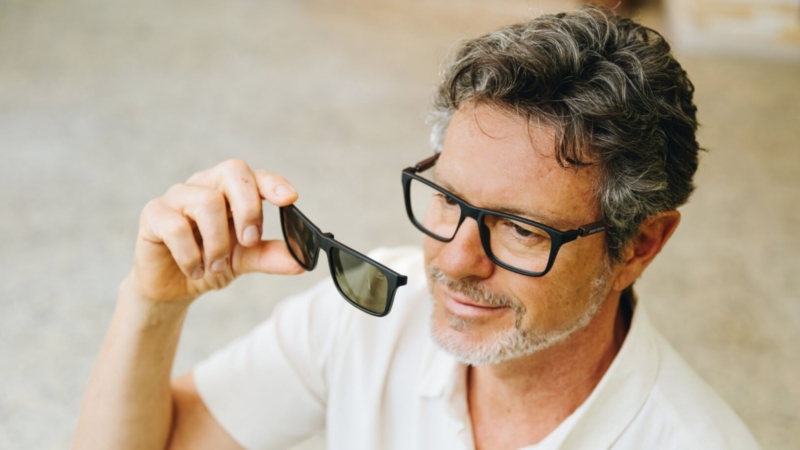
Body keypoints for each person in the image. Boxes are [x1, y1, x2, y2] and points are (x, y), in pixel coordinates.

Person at [73, 7, 761, 450]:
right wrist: (152, 303)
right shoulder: (373, 311)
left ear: (640, 245)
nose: (454, 263)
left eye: (521, 231)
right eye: (448, 200)